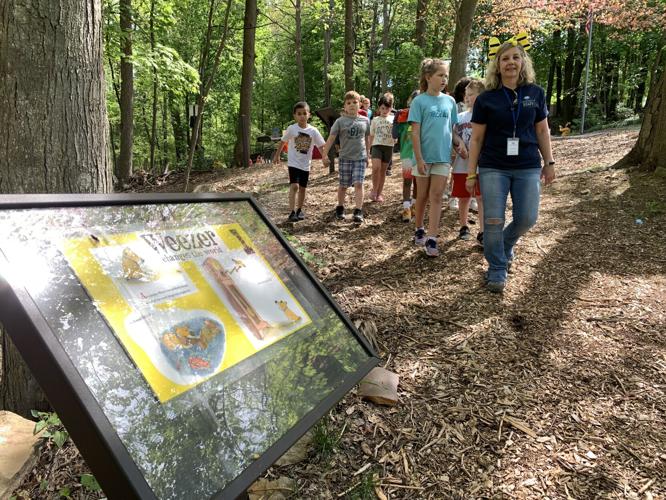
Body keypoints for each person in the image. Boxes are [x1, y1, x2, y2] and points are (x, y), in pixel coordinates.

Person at [466, 37, 555, 293]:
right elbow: (477, 139)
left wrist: (549, 162)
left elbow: (542, 130)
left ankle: (504, 244)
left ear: (523, 62)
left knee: (527, 217)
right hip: (493, 165)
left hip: (527, 164)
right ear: (497, 65)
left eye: (515, 57)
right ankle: (496, 268)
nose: (510, 63)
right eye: (505, 58)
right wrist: (471, 173)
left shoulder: (535, 93)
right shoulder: (486, 99)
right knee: (493, 219)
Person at [409, 58, 467, 257]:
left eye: (446, 75)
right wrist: (419, 159)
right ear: (428, 77)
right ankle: (419, 228)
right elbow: (414, 133)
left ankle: (432, 238)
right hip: (423, 158)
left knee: (436, 196)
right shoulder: (419, 101)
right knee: (422, 196)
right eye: (440, 75)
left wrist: (459, 144)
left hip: (443, 158)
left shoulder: (450, 101)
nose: (444, 79)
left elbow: (453, 130)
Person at [273, 102, 328, 222]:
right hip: (293, 163)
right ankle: (292, 211)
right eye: (299, 114)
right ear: (295, 116)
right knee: (294, 186)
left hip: (305, 165)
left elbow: (321, 146)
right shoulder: (292, 129)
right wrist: (277, 155)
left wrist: (325, 157)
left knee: (303, 188)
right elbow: (283, 141)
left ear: (309, 115)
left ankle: (299, 210)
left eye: (304, 113)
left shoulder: (313, 131)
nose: (302, 116)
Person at [322, 91, 371, 223]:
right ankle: (340, 207)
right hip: (345, 158)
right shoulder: (340, 121)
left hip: (360, 157)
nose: (352, 105)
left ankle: (358, 210)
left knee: (359, 183)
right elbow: (331, 138)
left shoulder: (365, 120)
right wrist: (324, 154)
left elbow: (367, 138)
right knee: (343, 185)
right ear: (344, 106)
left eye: (355, 102)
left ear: (360, 104)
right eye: (348, 103)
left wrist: (368, 154)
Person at [451, 79, 485, 243]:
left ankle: (483, 230)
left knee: (481, 198)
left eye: (471, 95)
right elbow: (453, 133)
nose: (467, 98)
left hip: (481, 166)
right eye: (466, 94)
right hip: (461, 165)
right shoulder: (460, 116)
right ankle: (463, 226)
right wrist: (460, 143)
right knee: (463, 198)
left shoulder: (488, 117)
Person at [393, 90, 419, 222]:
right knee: (408, 181)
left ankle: (415, 206)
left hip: (421, 155)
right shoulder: (403, 116)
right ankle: (406, 208)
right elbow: (394, 135)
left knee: (418, 182)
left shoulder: (424, 117)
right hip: (407, 155)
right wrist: (396, 121)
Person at [369, 93, 395, 202]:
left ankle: (379, 193)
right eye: (382, 108)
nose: (385, 111)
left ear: (391, 108)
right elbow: (371, 135)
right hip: (377, 146)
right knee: (376, 168)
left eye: (387, 108)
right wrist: (370, 148)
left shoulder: (394, 119)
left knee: (383, 171)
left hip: (388, 147)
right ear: (379, 108)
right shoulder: (375, 120)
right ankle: (374, 190)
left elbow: (397, 132)